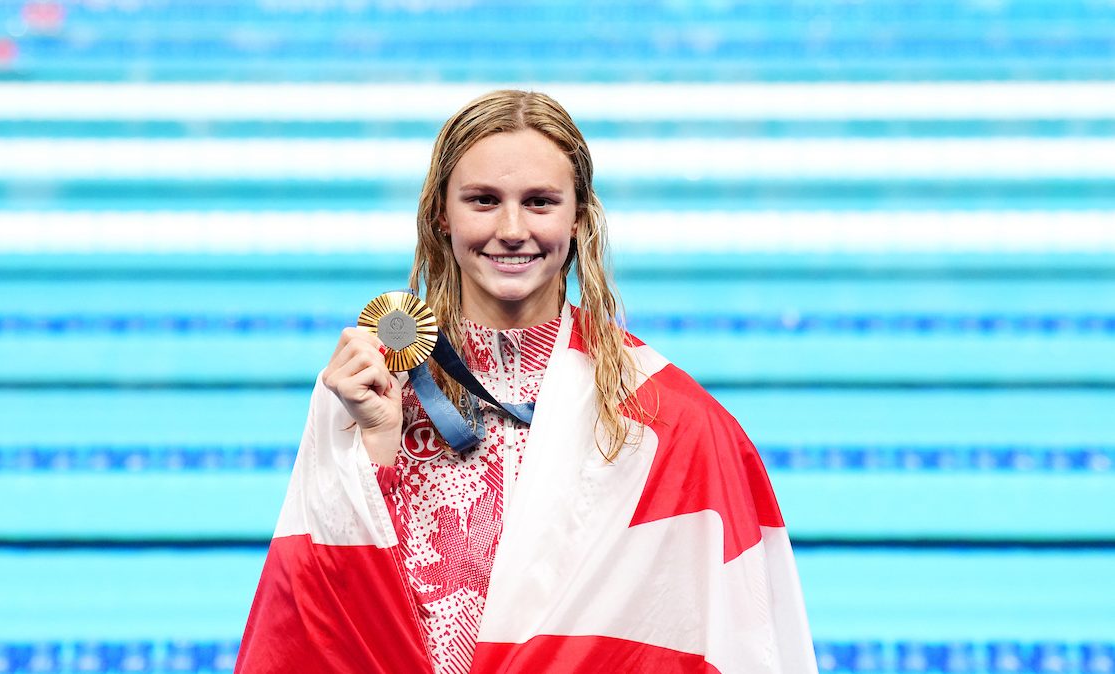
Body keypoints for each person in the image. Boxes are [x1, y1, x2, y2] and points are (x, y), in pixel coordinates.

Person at [234, 90, 818, 674]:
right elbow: (317, 617)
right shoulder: (366, 385)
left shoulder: (663, 417)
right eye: (483, 201)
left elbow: (731, 631)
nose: (512, 230)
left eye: (539, 202)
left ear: (579, 217)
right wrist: (374, 444)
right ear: (442, 213)